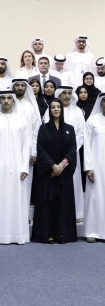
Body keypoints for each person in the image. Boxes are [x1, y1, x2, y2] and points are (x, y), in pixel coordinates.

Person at [0, 91, 31, 245]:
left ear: (14, 101)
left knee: (17, 201)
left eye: (9, 98)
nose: (6, 101)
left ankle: (18, 236)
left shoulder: (22, 121)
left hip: (17, 168)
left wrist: (24, 167)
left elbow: (26, 146)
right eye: (3, 98)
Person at [31, 99, 77, 244]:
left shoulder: (70, 128)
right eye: (53, 107)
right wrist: (53, 166)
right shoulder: (43, 129)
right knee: (47, 203)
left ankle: (63, 234)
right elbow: (41, 150)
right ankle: (47, 234)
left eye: (58, 107)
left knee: (63, 203)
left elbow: (72, 150)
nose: (56, 109)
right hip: (48, 173)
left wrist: (61, 166)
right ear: (49, 110)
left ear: (62, 110)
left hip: (64, 173)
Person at [47, 86, 86, 224]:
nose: (67, 96)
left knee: (72, 184)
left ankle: (74, 214)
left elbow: (81, 133)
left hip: (72, 156)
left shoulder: (78, 111)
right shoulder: (50, 110)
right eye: (64, 93)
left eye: (69, 93)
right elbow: (46, 131)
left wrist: (70, 152)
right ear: (59, 94)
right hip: (54, 157)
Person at [84, 93, 105, 242]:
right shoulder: (92, 121)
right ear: (100, 102)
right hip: (96, 165)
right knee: (95, 197)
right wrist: (89, 167)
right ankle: (93, 232)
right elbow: (87, 146)